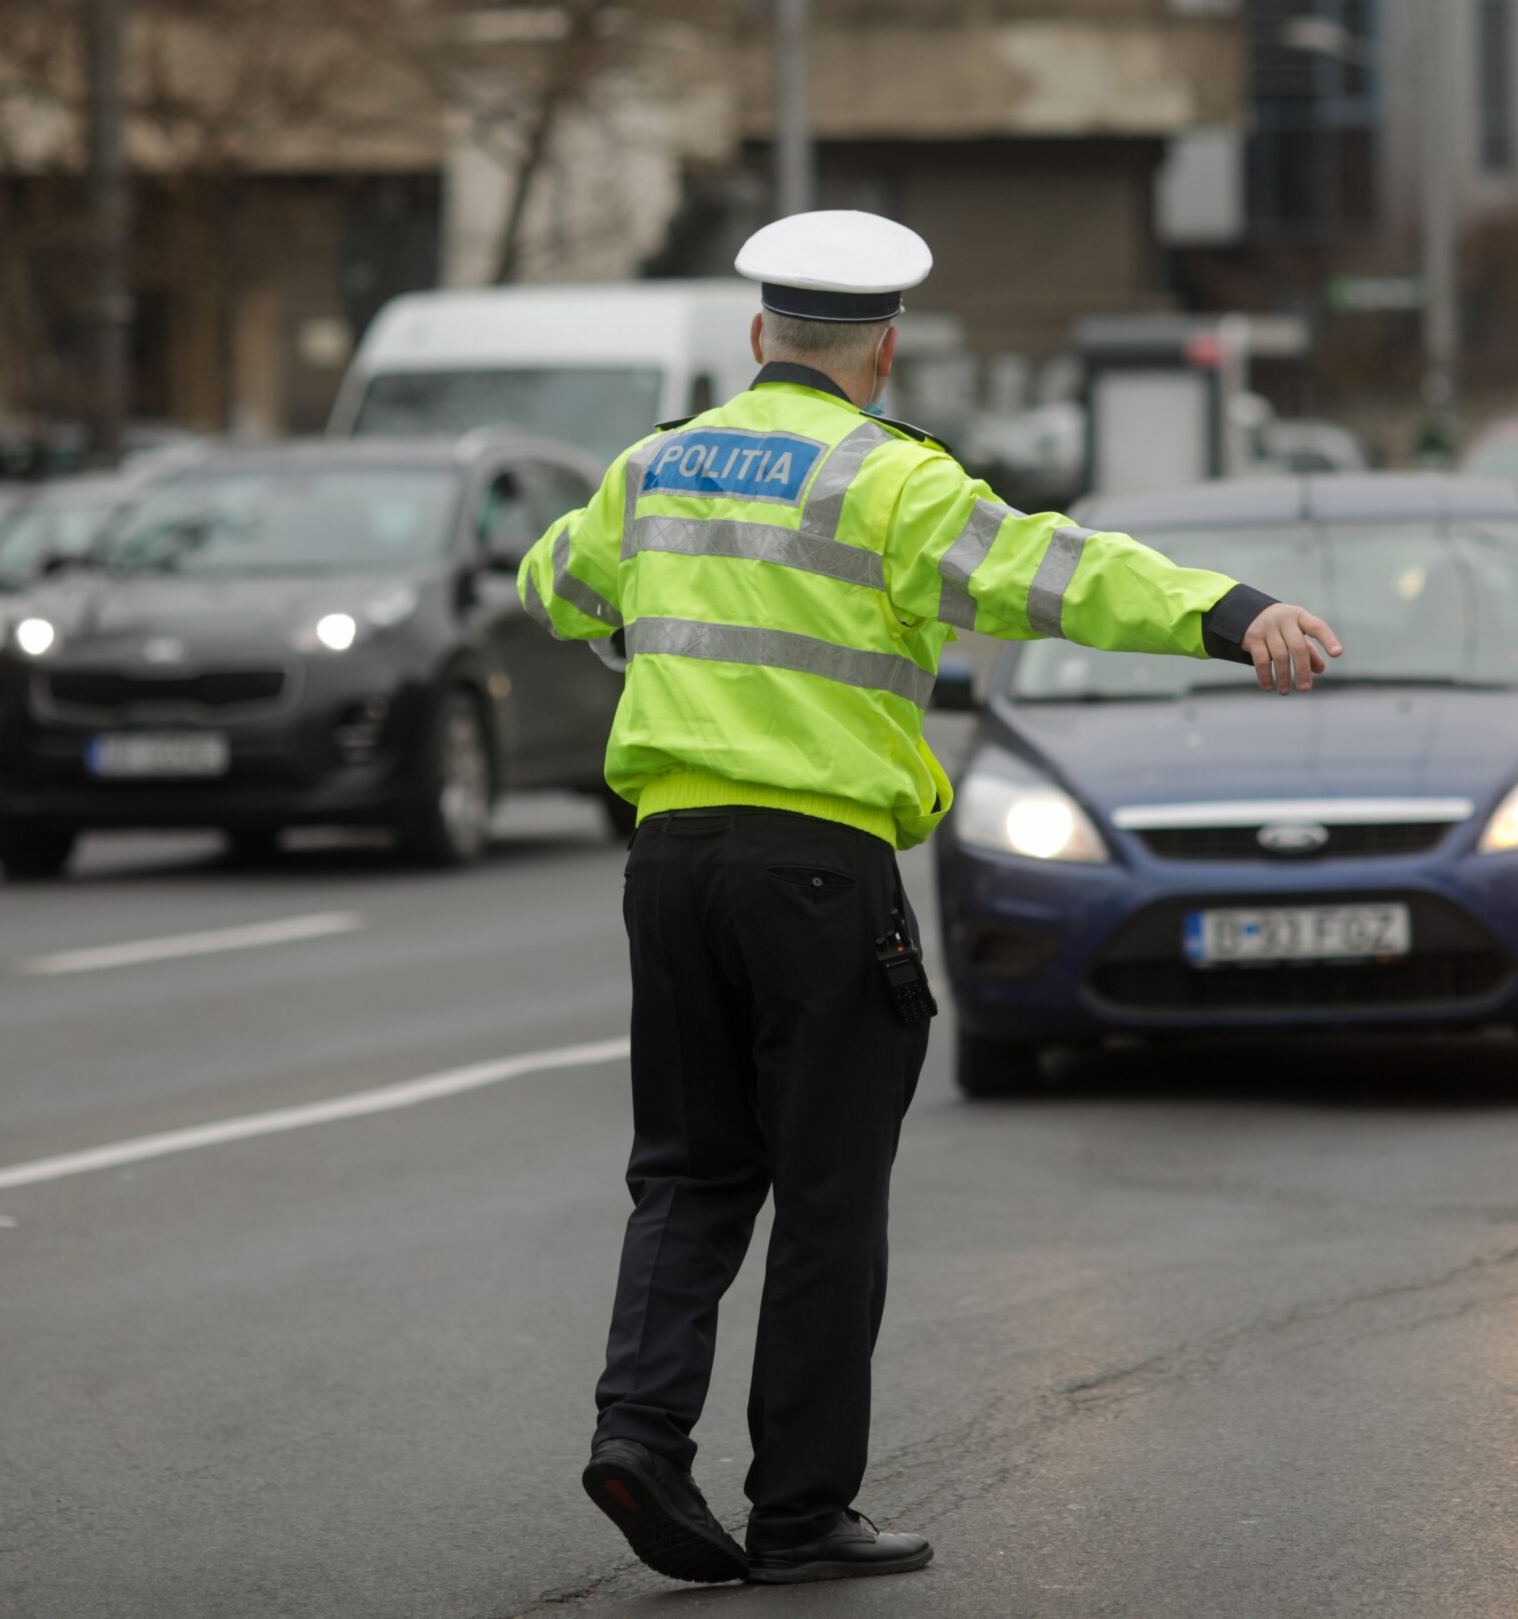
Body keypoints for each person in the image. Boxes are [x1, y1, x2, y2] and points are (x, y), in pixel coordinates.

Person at [518, 210, 1343, 1587]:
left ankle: (639, 1434)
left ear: (757, 337)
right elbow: (1053, 573)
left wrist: (630, 623)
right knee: (826, 1191)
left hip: (669, 862)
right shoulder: (887, 480)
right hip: (816, 867)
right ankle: (797, 1509)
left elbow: (557, 582)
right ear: (884, 350)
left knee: (687, 1169)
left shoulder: (652, 469)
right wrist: (1227, 607)